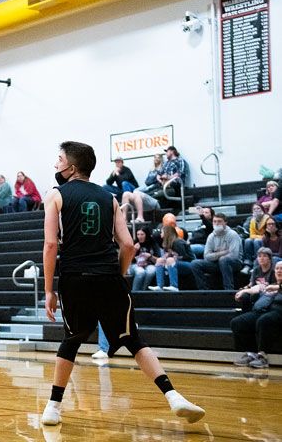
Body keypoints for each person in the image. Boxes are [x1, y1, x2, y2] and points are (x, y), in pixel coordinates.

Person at [41, 141, 204, 426]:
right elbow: (128, 245)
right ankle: (173, 396)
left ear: (72, 167)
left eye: (59, 160)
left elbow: (51, 244)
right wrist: (118, 274)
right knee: (133, 340)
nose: (56, 164)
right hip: (109, 277)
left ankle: (53, 407)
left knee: (72, 339)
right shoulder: (111, 198)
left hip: (75, 278)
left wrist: (48, 290)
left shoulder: (55, 195)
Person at [230, 261, 282, 369]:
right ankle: (251, 353)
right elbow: (258, 288)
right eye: (277, 268)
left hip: (279, 312)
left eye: (281, 268)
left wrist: (276, 288)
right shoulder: (270, 283)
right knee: (238, 322)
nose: (279, 270)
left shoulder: (276, 286)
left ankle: (263, 356)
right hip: (265, 311)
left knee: (264, 320)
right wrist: (245, 291)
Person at [190, 213, 242, 290]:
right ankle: (204, 291)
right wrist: (224, 252)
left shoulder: (232, 234)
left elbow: (234, 255)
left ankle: (229, 290)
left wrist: (215, 255)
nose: (217, 224)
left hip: (234, 263)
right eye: (214, 221)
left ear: (225, 223)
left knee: (223, 260)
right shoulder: (211, 236)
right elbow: (206, 256)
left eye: (219, 221)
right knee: (195, 263)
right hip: (217, 263)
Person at [149, 225, 194, 291]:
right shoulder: (167, 243)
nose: (160, 234)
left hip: (190, 264)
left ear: (167, 233)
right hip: (177, 263)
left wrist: (174, 256)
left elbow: (186, 257)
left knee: (170, 260)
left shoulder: (177, 242)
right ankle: (159, 285)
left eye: (162, 232)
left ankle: (174, 286)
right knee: (160, 260)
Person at [242, 204, 271, 274]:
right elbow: (251, 234)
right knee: (247, 241)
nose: (256, 210)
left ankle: (257, 264)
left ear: (262, 210)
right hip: (257, 238)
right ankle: (247, 264)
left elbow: (267, 234)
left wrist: (257, 237)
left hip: (267, 239)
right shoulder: (252, 220)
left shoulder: (267, 218)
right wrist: (257, 236)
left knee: (256, 241)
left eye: (258, 208)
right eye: (254, 209)